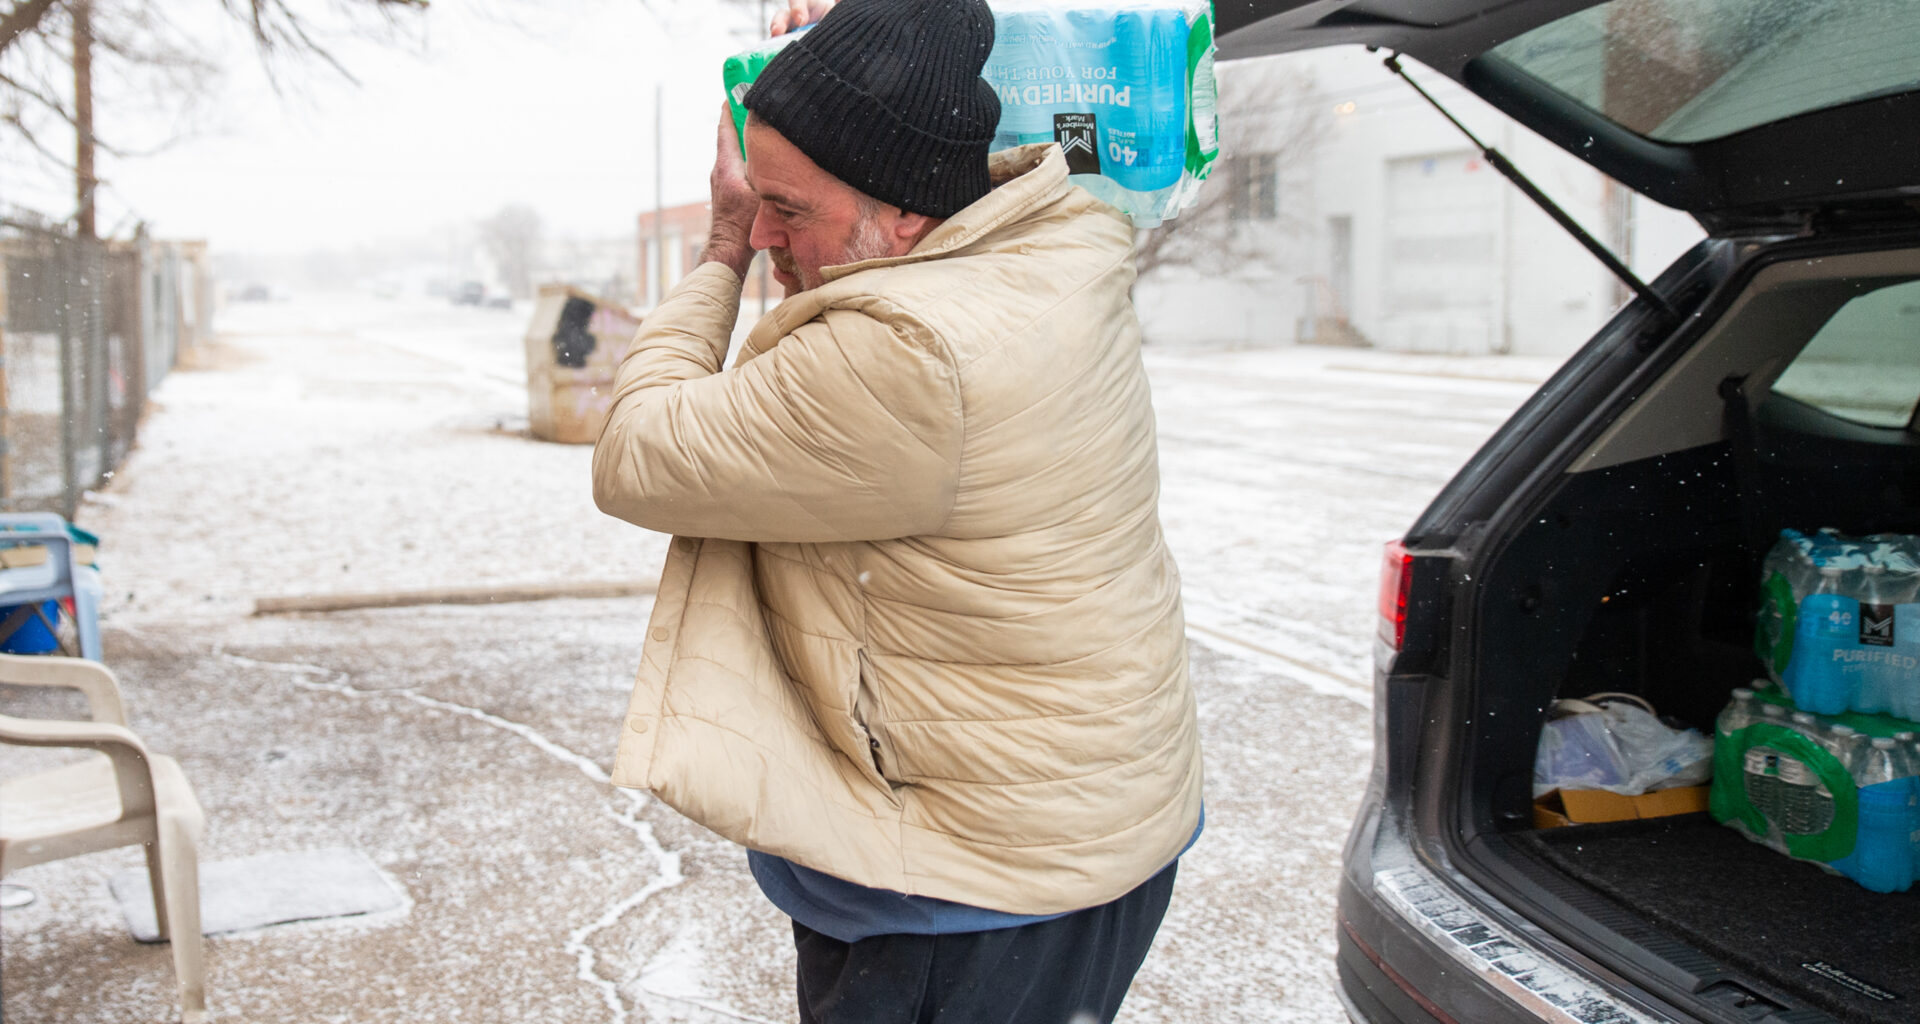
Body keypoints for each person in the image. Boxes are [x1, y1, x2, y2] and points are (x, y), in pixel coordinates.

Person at [590, 0, 1202, 1019]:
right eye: (761, 201)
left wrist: (723, 244)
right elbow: (920, 108)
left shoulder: (905, 356)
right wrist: (869, 44)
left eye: (791, 207)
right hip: (1078, 829)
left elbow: (635, 451)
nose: (775, 234)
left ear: (908, 211)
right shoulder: (1057, 250)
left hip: (967, 894)